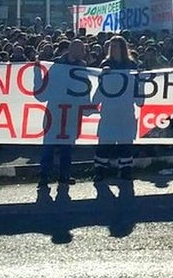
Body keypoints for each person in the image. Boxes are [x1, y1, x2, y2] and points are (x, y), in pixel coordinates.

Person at [39, 40, 87, 188]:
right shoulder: (56, 64)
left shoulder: (82, 66)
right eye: (80, 49)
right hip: (55, 109)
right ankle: (44, 176)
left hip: (71, 110)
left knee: (67, 146)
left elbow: (85, 86)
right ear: (72, 49)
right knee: (49, 145)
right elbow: (47, 85)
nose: (82, 52)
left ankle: (64, 175)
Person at [94, 36, 137, 182]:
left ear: (123, 48)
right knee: (105, 141)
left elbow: (136, 86)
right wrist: (103, 75)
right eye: (112, 47)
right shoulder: (106, 64)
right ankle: (100, 169)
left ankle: (125, 169)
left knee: (125, 141)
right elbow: (100, 86)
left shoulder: (131, 65)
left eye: (117, 46)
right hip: (109, 110)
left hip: (126, 110)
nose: (114, 49)